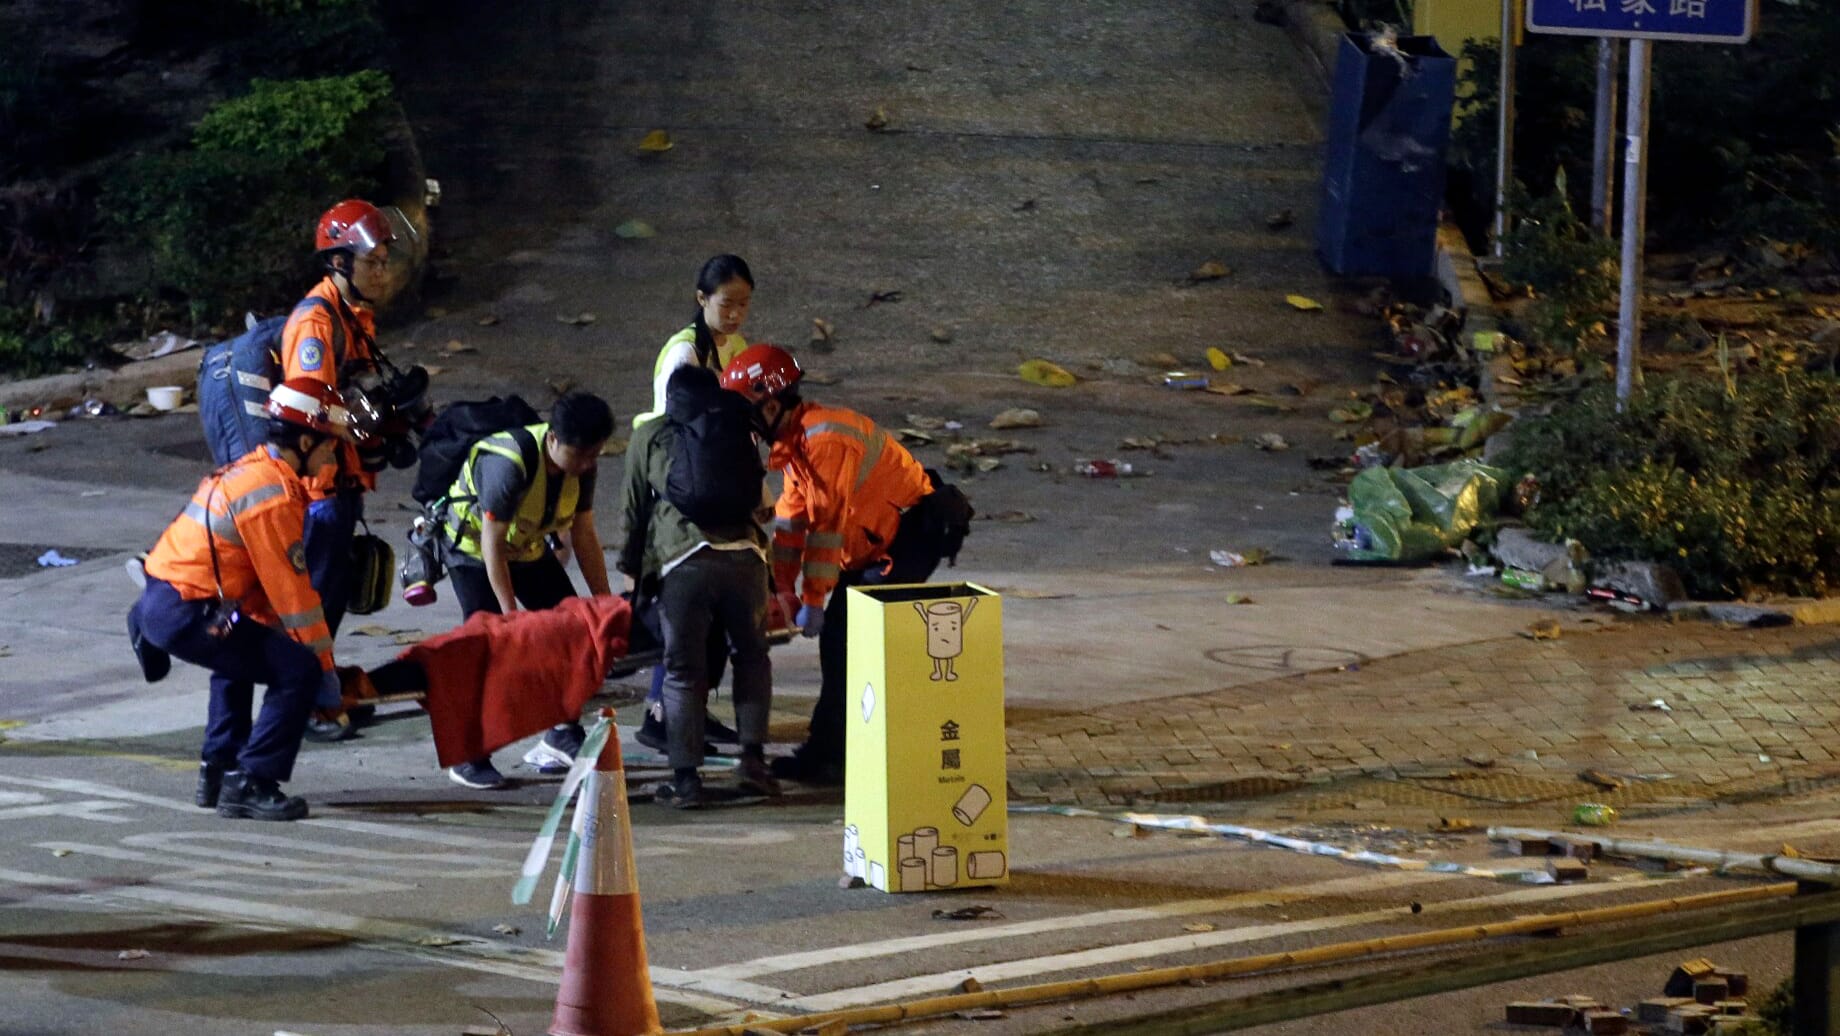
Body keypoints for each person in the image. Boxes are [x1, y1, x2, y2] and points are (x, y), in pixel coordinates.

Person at [720, 345, 972, 785]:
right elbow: (792, 523)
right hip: (881, 540)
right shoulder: (797, 444)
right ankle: (843, 747)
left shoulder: (827, 442)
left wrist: (813, 598)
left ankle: (833, 754)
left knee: (843, 637)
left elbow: (826, 529)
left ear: (773, 404)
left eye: (747, 410)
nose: (743, 423)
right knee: (846, 642)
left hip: (912, 536)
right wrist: (783, 586)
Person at [125, 379, 357, 821]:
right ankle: (252, 782)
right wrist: (325, 675)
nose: (334, 457)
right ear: (306, 441)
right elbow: (294, 598)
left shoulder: (251, 469)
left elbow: (255, 586)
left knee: (239, 655)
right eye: (330, 447)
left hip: (166, 598)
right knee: (295, 670)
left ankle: (218, 769)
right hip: (187, 610)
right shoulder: (273, 496)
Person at [439, 391, 617, 789]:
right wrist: (509, 614)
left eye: (595, 454)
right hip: (473, 553)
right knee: (489, 649)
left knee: (572, 631)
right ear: (553, 439)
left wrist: (603, 601)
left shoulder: (582, 464)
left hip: (528, 548)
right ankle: (468, 755)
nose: (588, 464)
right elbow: (491, 543)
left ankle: (562, 733)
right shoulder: (510, 465)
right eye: (581, 454)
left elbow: (584, 534)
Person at [618, 366, 778, 808]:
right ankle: (753, 762)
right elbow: (763, 503)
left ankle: (686, 780)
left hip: (684, 564)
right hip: (746, 559)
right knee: (752, 658)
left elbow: (632, 509)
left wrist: (632, 572)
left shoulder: (649, 434)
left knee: (684, 670)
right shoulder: (734, 427)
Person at [279, 199, 402, 742]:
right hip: (321, 487)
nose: (381, 271)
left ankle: (322, 691)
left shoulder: (354, 316)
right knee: (314, 605)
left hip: (344, 480)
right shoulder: (316, 320)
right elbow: (304, 407)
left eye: (384, 262)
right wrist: (357, 429)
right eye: (371, 261)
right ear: (338, 262)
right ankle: (306, 705)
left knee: (330, 601)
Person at [631, 255, 758, 751]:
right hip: (685, 494)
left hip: (716, 487)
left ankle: (693, 715)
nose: (736, 315)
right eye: (727, 304)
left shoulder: (736, 347)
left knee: (714, 622)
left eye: (744, 304)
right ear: (702, 299)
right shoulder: (684, 356)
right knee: (685, 621)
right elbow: (672, 435)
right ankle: (663, 719)